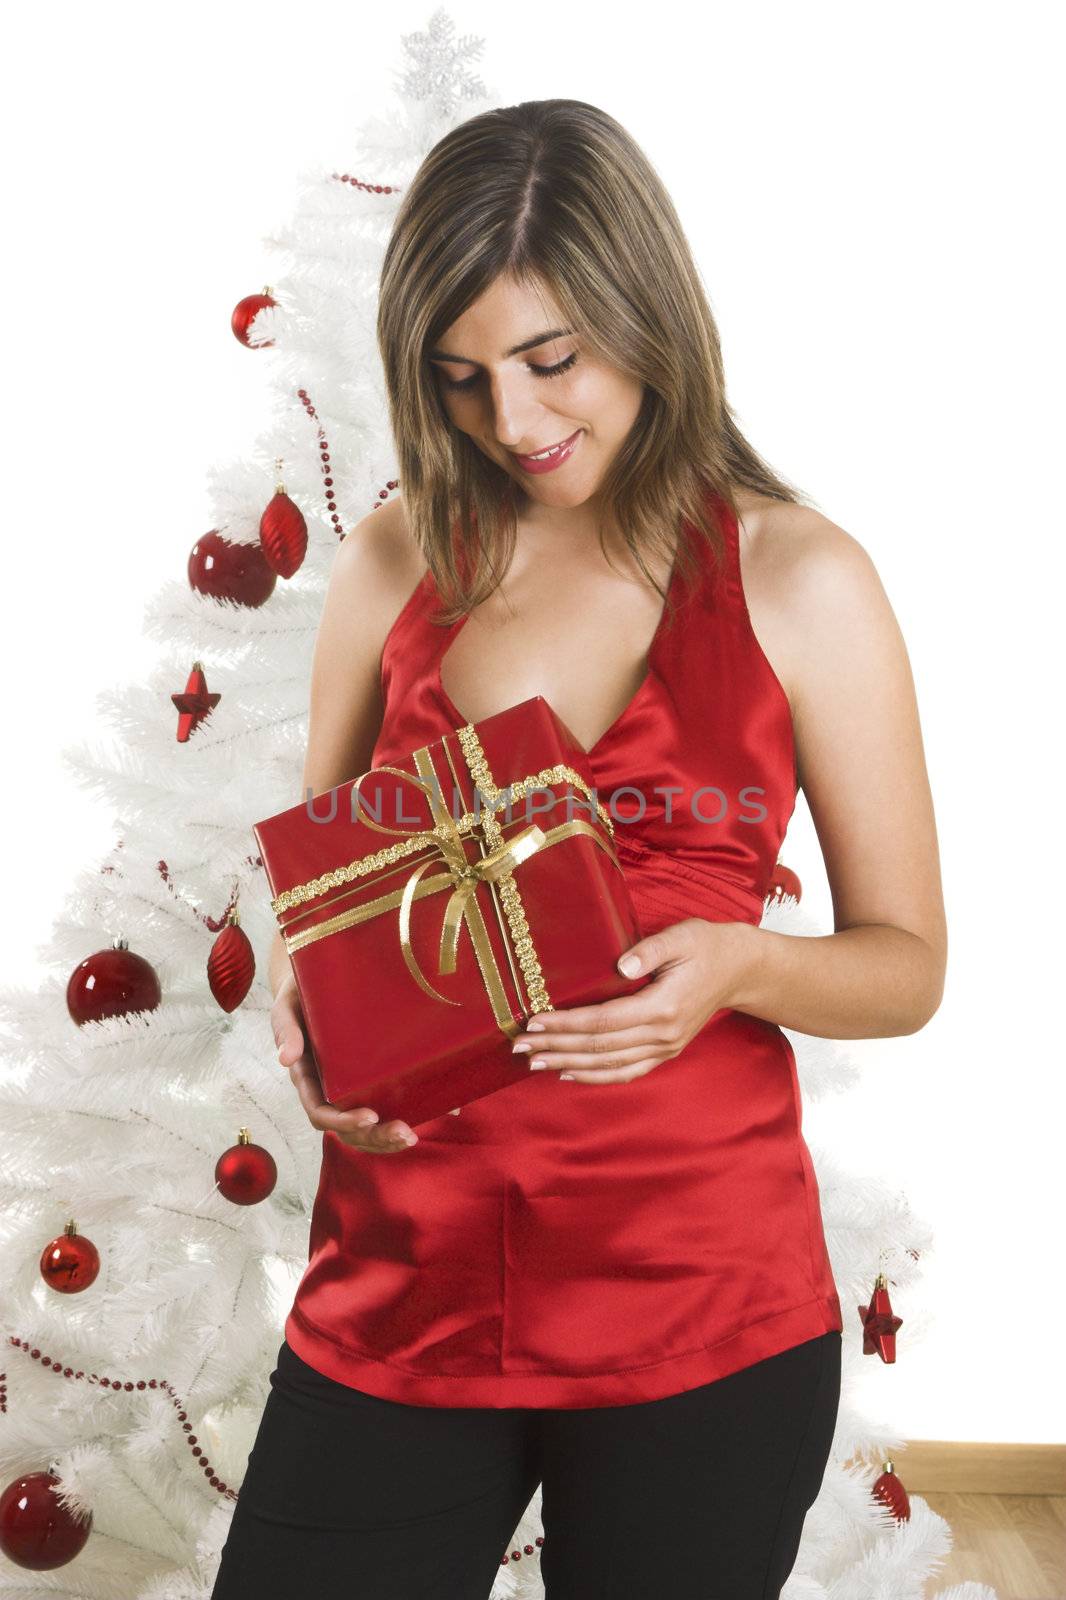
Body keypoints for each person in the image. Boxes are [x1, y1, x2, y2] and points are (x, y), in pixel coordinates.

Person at [211, 99, 946, 1599]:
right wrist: (310, 1015)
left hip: (700, 1305)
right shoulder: (401, 554)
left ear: (646, 313)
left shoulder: (799, 578)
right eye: (464, 378)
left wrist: (738, 965)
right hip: (401, 1287)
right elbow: (331, 893)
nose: (515, 421)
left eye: (553, 362)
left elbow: (905, 967)